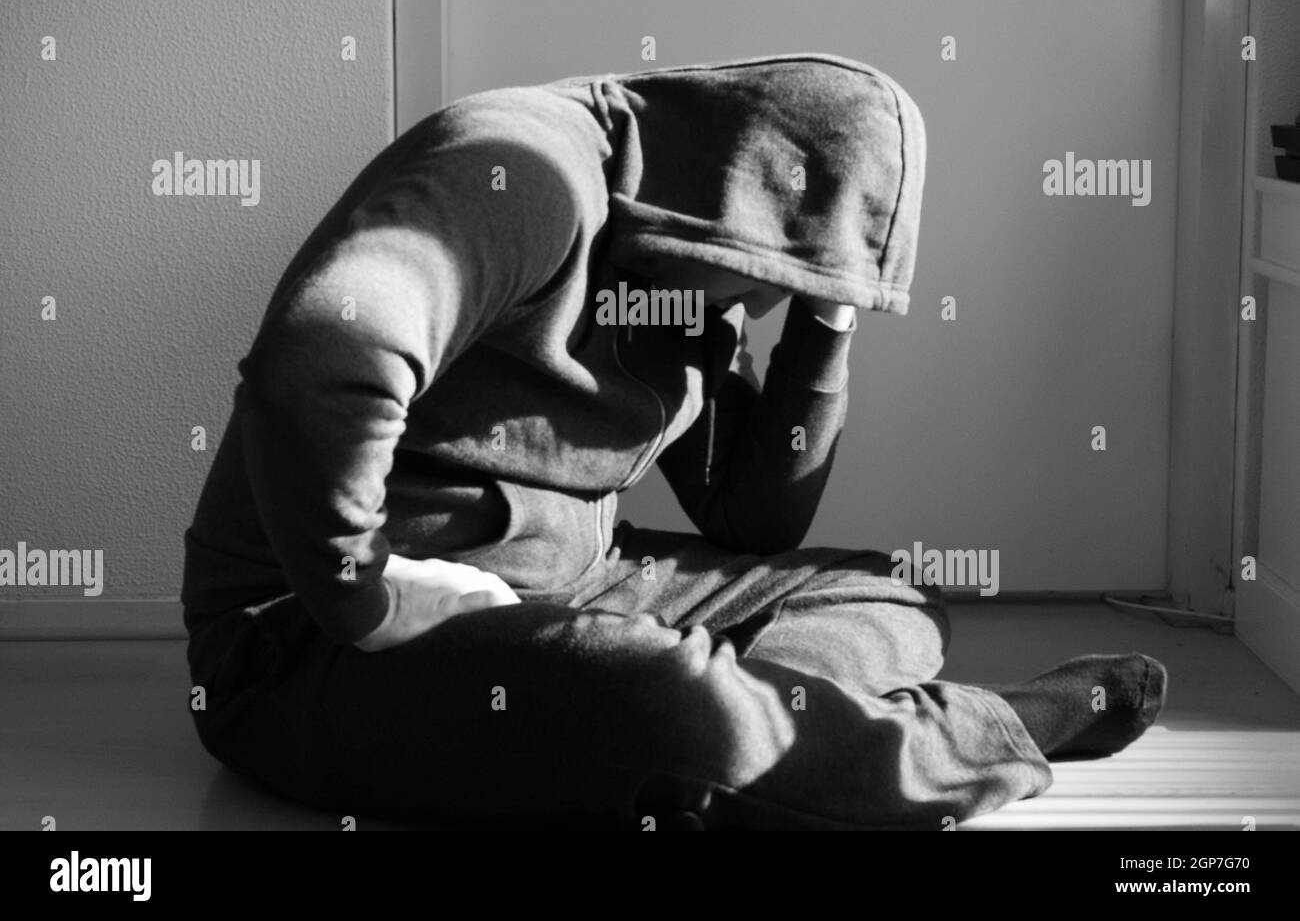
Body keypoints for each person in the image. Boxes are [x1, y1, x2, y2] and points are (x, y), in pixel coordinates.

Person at [181, 53, 1166, 830]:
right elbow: (318, 354)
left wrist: (825, 318)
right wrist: (369, 588)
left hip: (572, 583)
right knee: (678, 715)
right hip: (310, 636)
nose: (768, 303)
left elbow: (754, 515)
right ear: (741, 195)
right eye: (777, 278)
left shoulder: (688, 274)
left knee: (881, 591)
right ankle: (983, 729)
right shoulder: (522, 169)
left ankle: (782, 730)